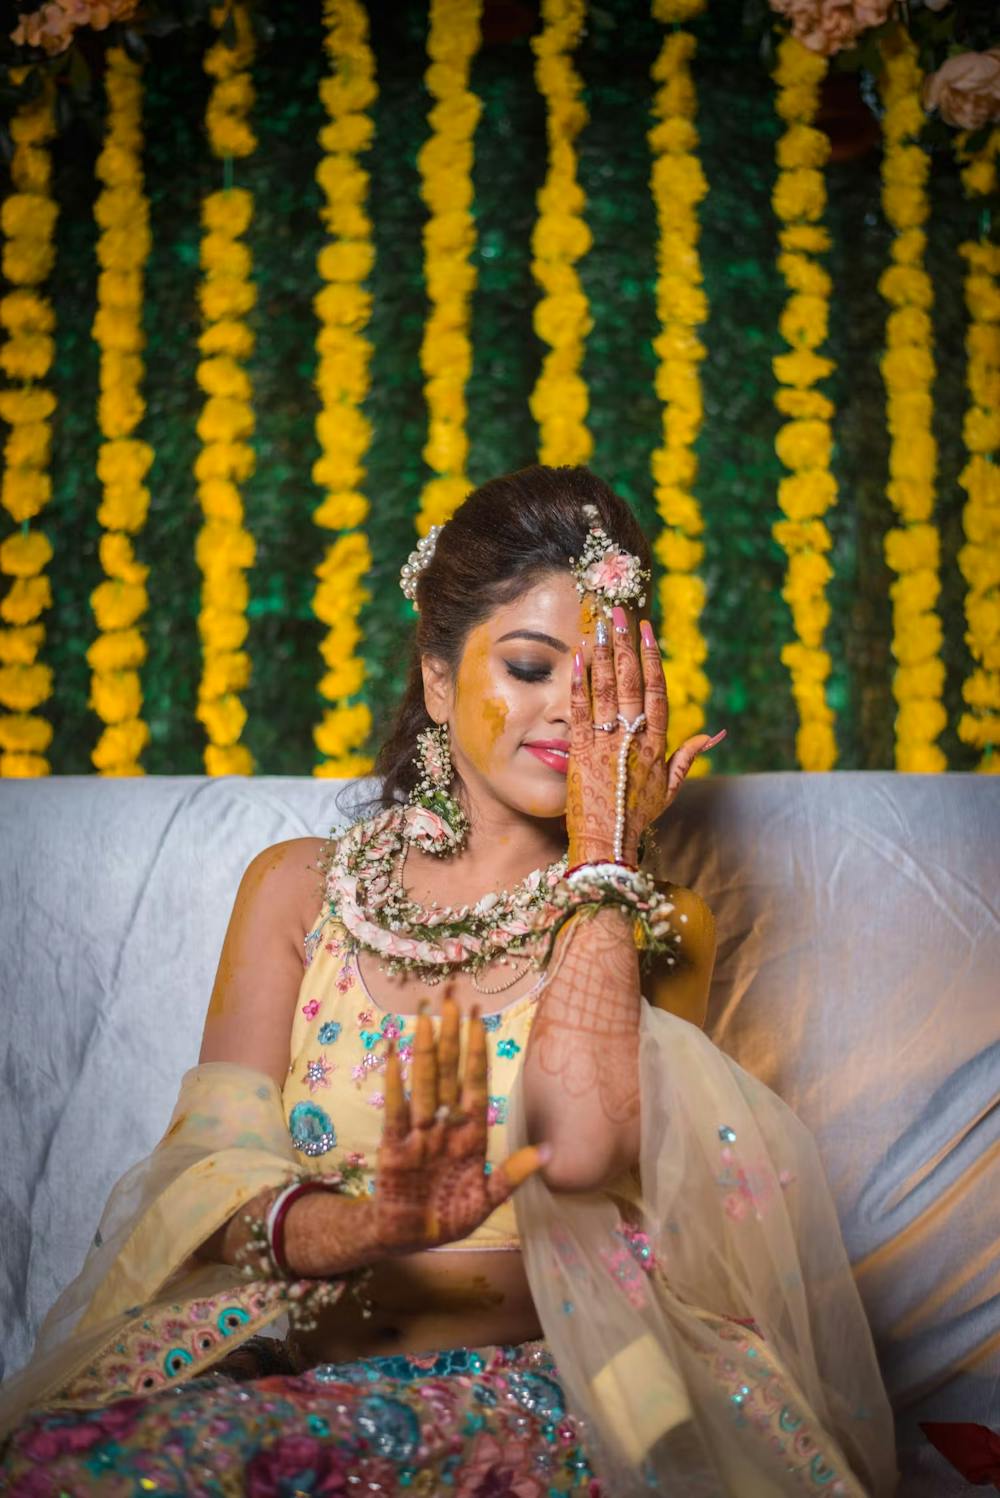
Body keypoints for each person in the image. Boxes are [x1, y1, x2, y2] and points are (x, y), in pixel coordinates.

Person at [0, 465, 897, 1496]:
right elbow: (210, 1179)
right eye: (529, 666)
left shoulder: (651, 923)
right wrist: (372, 1226)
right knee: (59, 1466)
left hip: (557, 1382)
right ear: (437, 678)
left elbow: (579, 1149)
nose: (571, 707)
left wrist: (604, 853)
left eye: (605, 677)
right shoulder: (301, 891)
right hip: (299, 1362)